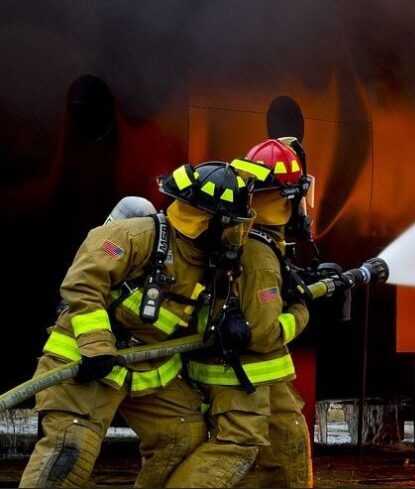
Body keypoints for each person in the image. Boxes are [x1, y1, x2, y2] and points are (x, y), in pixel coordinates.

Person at [19, 161, 256, 488]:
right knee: (70, 452)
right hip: (88, 363)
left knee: (182, 437)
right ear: (209, 221)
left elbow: (195, 316)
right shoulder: (133, 236)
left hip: (147, 368)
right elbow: (84, 285)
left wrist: (227, 321)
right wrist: (97, 347)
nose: (236, 237)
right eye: (232, 226)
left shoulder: (210, 263)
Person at [166, 138, 314, 488]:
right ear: (289, 198)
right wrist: (301, 310)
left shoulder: (244, 237)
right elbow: (263, 333)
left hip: (253, 376)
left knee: (285, 445)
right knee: (237, 450)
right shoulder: (260, 256)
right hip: (242, 375)